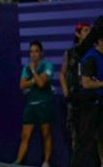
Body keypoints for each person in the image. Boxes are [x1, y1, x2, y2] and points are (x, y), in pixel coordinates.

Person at [14, 41, 54, 167]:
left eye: (36, 51)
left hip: (44, 104)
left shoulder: (48, 65)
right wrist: (35, 80)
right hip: (30, 105)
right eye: (31, 51)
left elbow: (42, 83)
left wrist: (33, 72)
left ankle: (46, 162)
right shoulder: (25, 68)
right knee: (25, 135)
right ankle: (18, 162)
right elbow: (22, 85)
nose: (33, 54)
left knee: (46, 134)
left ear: (41, 53)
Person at [71, 27, 103, 167]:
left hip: (99, 105)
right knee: (85, 141)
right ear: (100, 41)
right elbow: (86, 82)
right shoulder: (90, 57)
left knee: (100, 139)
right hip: (90, 106)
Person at [60, 23, 91, 154]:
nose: (89, 33)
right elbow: (62, 73)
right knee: (75, 134)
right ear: (78, 34)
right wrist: (66, 92)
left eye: (89, 30)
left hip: (90, 97)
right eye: (85, 30)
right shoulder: (70, 53)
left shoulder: (94, 52)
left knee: (93, 134)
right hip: (74, 98)